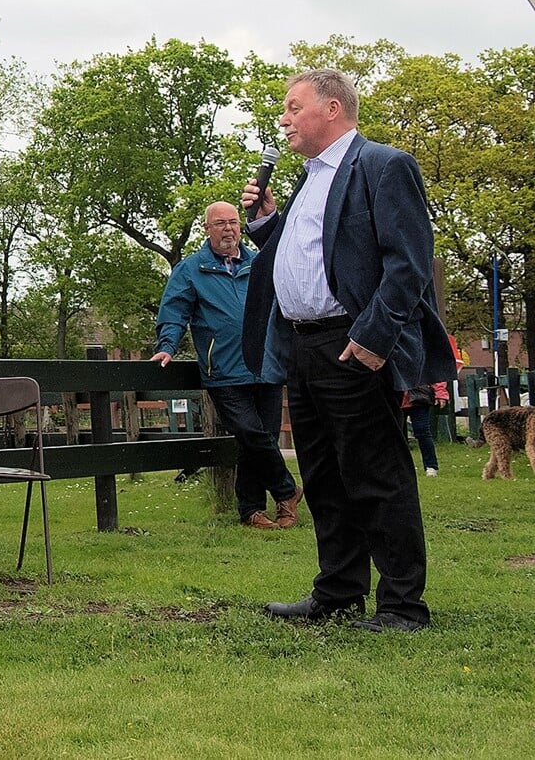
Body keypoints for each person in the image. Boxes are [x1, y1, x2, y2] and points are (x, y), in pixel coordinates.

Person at [243, 68, 455, 633]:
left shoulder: (384, 166)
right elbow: (317, 251)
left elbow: (407, 265)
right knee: (325, 475)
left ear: (332, 109)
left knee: (376, 475)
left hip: (353, 344)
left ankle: (403, 606)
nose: (282, 119)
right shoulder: (310, 179)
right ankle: (337, 594)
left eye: (292, 107)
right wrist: (268, 224)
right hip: (303, 346)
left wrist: (373, 339)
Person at [151, 201, 302, 530]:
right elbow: (174, 311)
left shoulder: (260, 263)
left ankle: (252, 511)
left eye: (233, 222)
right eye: (220, 223)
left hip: (266, 364)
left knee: (258, 440)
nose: (228, 229)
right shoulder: (192, 270)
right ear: (207, 229)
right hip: (223, 370)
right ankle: (288, 490)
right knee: (250, 432)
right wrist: (167, 347)